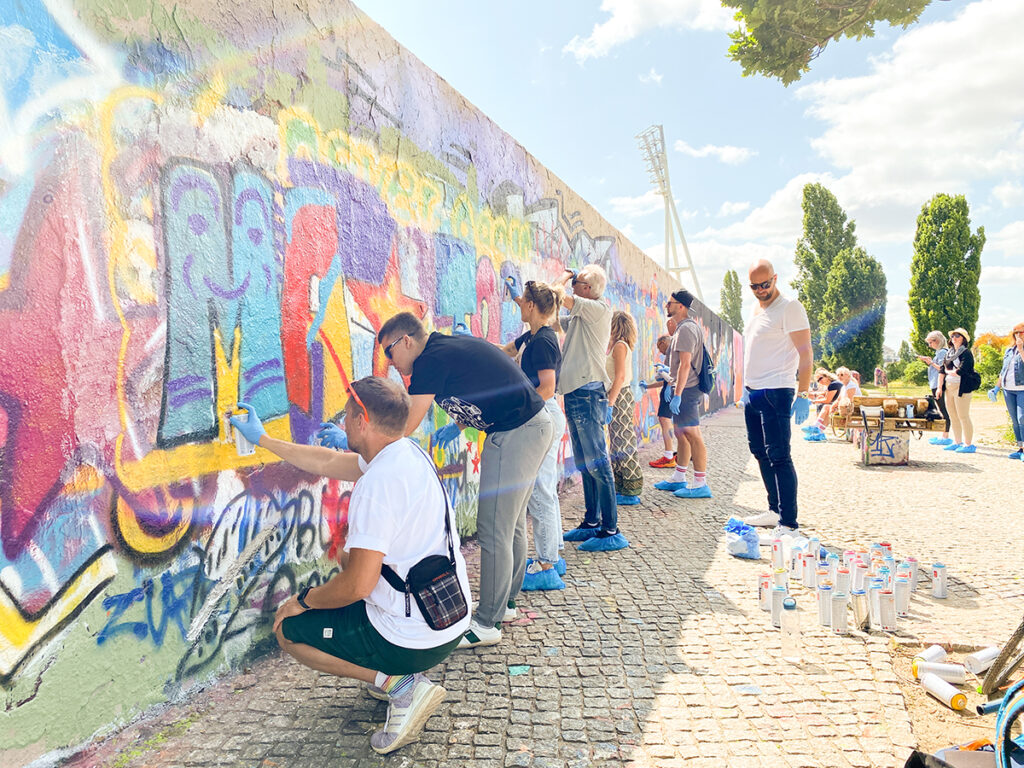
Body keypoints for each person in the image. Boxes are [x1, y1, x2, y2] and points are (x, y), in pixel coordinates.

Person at [227, 377, 470, 755]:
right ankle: (392, 671)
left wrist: (304, 600)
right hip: (448, 616)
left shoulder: (377, 486)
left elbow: (358, 586)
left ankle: (400, 685)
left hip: (415, 638)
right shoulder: (407, 453)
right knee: (346, 557)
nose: (341, 423)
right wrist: (264, 440)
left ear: (361, 420)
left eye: (346, 415)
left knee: (289, 629)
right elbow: (327, 461)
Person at [376, 312, 553, 648]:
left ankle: (487, 622)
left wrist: (361, 438)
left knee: (493, 528)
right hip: (531, 427)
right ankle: (505, 604)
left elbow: (407, 424)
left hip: (516, 432)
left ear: (407, 341)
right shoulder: (442, 350)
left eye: (389, 351)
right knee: (511, 524)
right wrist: (456, 425)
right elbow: (476, 384)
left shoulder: (429, 360)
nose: (390, 362)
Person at [498, 277, 567, 590]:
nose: (519, 304)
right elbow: (506, 350)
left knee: (540, 490)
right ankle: (554, 552)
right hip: (544, 417)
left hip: (542, 417)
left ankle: (546, 563)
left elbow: (548, 387)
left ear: (533, 306)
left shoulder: (543, 341)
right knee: (545, 487)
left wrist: (518, 409)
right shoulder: (535, 334)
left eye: (522, 300)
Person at [555, 264, 628, 552]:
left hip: (587, 395)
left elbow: (558, 294)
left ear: (589, 289)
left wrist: (564, 275)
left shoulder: (598, 309)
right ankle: (591, 522)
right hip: (575, 393)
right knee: (585, 463)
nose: (574, 284)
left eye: (578, 281)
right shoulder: (581, 316)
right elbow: (552, 317)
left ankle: (610, 529)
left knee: (598, 463)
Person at [740, 259, 813, 535]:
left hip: (776, 390)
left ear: (775, 278)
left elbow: (805, 353)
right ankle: (774, 511)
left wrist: (803, 392)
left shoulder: (790, 308)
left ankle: (789, 523)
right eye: (755, 286)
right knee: (759, 452)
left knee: (780, 456)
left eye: (765, 284)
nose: (761, 290)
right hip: (752, 392)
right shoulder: (755, 308)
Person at [653, 289, 712, 499]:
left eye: (670, 303)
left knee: (692, 434)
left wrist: (677, 392)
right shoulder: (682, 329)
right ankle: (679, 477)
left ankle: (700, 483)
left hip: (687, 389)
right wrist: (668, 377)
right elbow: (678, 364)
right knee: (681, 433)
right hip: (683, 387)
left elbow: (686, 365)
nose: (667, 306)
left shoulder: (686, 329)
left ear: (681, 306)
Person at [606, 311, 644, 505]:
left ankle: (630, 490)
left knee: (623, 442)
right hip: (619, 395)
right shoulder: (621, 345)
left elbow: (619, 377)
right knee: (617, 442)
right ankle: (622, 486)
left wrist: (610, 403)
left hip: (619, 396)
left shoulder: (620, 346)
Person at [938, 327, 980, 454]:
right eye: (953, 336)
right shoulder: (949, 353)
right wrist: (939, 387)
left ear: (963, 339)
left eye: (957, 336)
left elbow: (961, 371)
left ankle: (968, 444)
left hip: (962, 387)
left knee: (963, 415)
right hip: (949, 387)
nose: (954, 338)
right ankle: (957, 441)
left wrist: (949, 372)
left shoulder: (966, 353)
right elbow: (941, 370)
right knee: (953, 415)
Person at [990, 322, 1024, 460]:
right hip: (1008, 390)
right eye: (1015, 333)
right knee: (1015, 420)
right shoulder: (1009, 350)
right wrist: (997, 387)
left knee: (1023, 418)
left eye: (1021, 332)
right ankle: (1020, 448)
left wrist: (1021, 348)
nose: (1017, 335)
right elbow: (1004, 371)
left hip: (1022, 389)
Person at [643, 333, 677, 468]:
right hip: (674, 391)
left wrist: (669, 386)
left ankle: (669, 456)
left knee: (665, 420)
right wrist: (648, 386)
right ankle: (679, 454)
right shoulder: (675, 353)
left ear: (664, 343)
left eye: (659, 346)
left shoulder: (671, 354)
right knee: (673, 422)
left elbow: (671, 377)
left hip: (671, 392)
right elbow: (664, 380)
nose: (659, 350)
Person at [917, 331, 952, 445]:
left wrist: (930, 362)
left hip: (938, 384)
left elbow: (942, 369)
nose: (929, 345)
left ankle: (945, 435)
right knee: (942, 408)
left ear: (937, 341)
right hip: (935, 383)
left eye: (930, 343)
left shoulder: (942, 352)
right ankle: (944, 434)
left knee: (943, 409)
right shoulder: (940, 352)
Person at [802, 368, 842, 441]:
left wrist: (813, 401)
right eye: (818, 380)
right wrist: (810, 395)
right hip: (838, 407)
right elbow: (823, 394)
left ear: (826, 376)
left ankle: (816, 427)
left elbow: (827, 400)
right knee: (827, 408)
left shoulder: (833, 385)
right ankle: (819, 433)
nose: (820, 381)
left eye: (820, 378)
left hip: (842, 408)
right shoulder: (833, 384)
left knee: (826, 407)